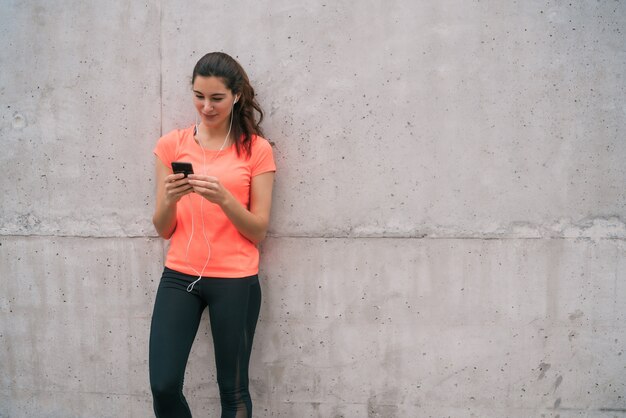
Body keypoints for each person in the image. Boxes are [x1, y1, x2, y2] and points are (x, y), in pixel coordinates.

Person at [149, 52, 276, 418]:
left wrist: (224, 199)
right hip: (180, 277)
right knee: (163, 384)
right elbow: (163, 229)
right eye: (198, 96)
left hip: (235, 280)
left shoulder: (256, 150)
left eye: (216, 98)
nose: (206, 106)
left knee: (233, 391)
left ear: (236, 96)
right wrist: (171, 199)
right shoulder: (171, 145)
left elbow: (258, 230)